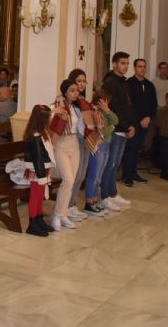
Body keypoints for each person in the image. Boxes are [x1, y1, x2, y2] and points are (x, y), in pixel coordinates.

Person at [101, 52, 135, 211]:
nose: (126, 66)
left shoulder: (125, 83)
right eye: (123, 63)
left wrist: (132, 125)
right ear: (114, 64)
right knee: (110, 163)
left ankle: (113, 193)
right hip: (115, 129)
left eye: (127, 63)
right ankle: (105, 197)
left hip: (124, 129)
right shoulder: (109, 83)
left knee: (116, 164)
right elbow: (112, 109)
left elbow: (129, 106)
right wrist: (124, 125)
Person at [66, 69, 101, 222]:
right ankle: (67, 206)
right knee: (74, 174)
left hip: (85, 139)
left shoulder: (83, 101)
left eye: (83, 81)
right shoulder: (67, 99)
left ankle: (72, 205)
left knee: (81, 175)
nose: (81, 84)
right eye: (78, 81)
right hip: (74, 140)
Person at [48, 80, 82, 231]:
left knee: (72, 181)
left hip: (74, 143)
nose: (76, 93)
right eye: (72, 90)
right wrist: (53, 110)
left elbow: (80, 126)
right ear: (65, 92)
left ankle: (63, 214)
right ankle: (57, 214)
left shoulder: (77, 107)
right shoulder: (58, 105)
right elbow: (43, 114)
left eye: (77, 90)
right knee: (67, 180)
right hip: (61, 143)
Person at [122, 59, 157, 186]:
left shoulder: (150, 85)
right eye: (140, 66)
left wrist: (148, 118)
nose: (142, 69)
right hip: (134, 123)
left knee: (137, 150)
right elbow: (129, 105)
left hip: (145, 122)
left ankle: (134, 173)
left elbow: (154, 104)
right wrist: (139, 120)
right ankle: (127, 176)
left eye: (144, 66)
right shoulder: (129, 83)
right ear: (135, 68)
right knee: (130, 149)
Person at [22, 105, 55, 237]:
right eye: (48, 118)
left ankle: (39, 218)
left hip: (43, 168)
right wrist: (41, 176)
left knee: (40, 196)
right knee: (35, 197)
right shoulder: (35, 135)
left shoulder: (42, 132)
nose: (49, 120)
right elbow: (37, 158)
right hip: (37, 170)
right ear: (42, 119)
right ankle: (32, 224)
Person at [85, 90, 118, 216]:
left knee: (99, 176)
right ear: (100, 100)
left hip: (106, 145)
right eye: (106, 101)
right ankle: (89, 202)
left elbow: (115, 120)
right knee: (94, 175)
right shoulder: (94, 112)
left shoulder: (105, 112)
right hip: (98, 146)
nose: (108, 103)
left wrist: (108, 110)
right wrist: (111, 128)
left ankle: (94, 200)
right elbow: (102, 132)